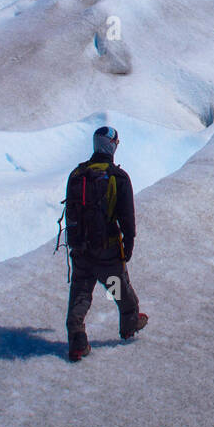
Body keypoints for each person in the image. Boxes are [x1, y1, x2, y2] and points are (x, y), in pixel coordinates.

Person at [64, 125, 147, 361]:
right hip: (107, 251)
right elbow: (127, 217)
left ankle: (77, 340)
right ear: (111, 145)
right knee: (119, 289)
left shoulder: (77, 175)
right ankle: (130, 324)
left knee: (80, 294)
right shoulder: (118, 177)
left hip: (81, 250)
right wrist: (129, 242)